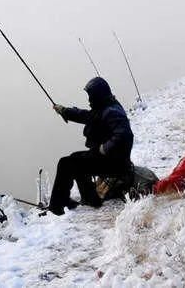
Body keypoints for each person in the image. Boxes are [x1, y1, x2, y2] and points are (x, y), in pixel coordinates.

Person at [48, 77, 134, 215]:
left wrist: (104, 148)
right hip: (112, 160)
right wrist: (64, 111)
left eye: (91, 96)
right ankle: (90, 198)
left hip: (115, 163)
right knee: (74, 158)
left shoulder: (112, 111)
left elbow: (125, 135)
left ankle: (55, 208)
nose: (89, 99)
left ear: (98, 94)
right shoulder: (104, 106)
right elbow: (86, 116)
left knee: (66, 163)